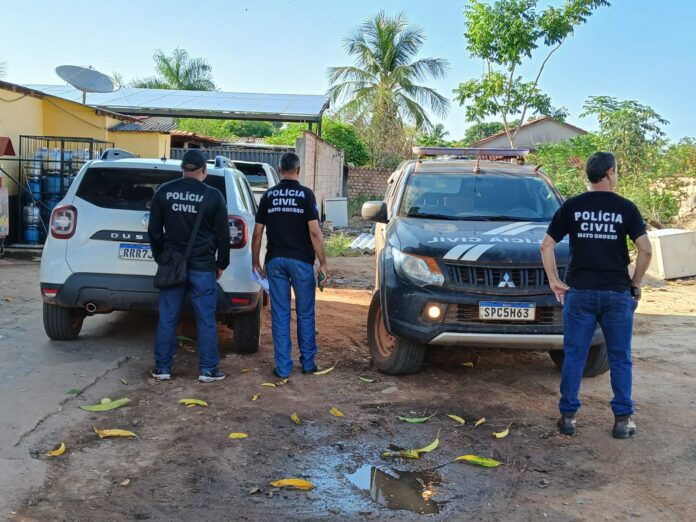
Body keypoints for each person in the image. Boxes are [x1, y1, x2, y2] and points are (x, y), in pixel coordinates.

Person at [540, 152, 652, 439]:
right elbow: (646, 250)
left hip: (579, 293)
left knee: (574, 356)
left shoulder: (573, 207)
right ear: (611, 173)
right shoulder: (625, 208)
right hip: (616, 294)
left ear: (588, 176)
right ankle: (622, 421)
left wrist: (554, 281)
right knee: (619, 357)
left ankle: (568, 418)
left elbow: (546, 246)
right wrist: (635, 283)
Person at [148, 149, 230, 383]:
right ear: (204, 170)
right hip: (203, 267)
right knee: (205, 318)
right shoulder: (213, 196)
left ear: (182, 169)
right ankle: (208, 370)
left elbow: (154, 231)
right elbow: (223, 235)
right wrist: (221, 262)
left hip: (172, 264)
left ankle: (162, 368)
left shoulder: (164, 192)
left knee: (167, 317)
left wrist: (161, 258)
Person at [251, 152, 327, 379]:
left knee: (281, 314)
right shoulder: (306, 195)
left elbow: (257, 233)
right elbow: (314, 232)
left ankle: (283, 368)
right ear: (299, 170)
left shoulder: (269, 196)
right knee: (305, 313)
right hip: (302, 262)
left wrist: (255, 260)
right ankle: (308, 364)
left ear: (279, 169)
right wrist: (323, 262)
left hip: (275, 261)